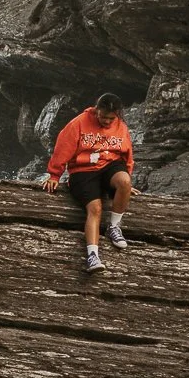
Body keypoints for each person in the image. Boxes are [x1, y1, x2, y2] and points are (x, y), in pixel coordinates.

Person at [43, 92, 135, 273]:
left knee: (124, 182)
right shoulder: (79, 123)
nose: (107, 121)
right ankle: (93, 256)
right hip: (83, 171)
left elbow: (127, 155)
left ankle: (114, 227)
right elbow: (63, 148)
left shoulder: (121, 126)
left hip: (109, 166)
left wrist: (127, 182)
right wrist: (54, 175)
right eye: (103, 117)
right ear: (96, 110)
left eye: (111, 118)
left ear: (117, 115)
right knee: (95, 209)